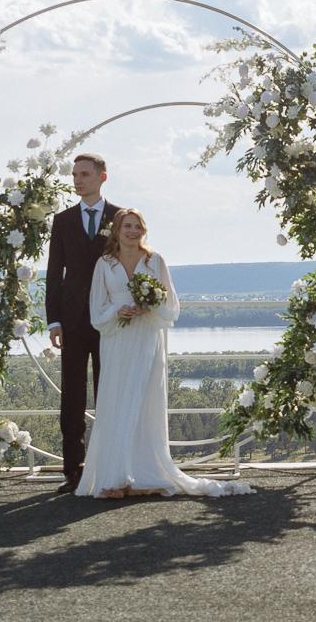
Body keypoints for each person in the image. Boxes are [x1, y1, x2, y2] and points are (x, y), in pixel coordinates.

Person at [77, 211, 249, 500]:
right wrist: (116, 311)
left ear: (144, 230)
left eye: (137, 226)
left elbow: (170, 303)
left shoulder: (154, 261)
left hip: (146, 335)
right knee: (116, 399)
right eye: (126, 226)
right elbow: (96, 308)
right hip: (117, 338)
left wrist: (148, 308)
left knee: (145, 400)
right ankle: (114, 476)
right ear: (116, 231)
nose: (132, 231)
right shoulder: (104, 264)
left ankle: (145, 473)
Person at [44, 152, 116, 493]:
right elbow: (53, 274)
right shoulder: (62, 220)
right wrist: (53, 320)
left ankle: (108, 466)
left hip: (110, 319)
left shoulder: (120, 217)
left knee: (109, 392)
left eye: (84, 174)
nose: (77, 180)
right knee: (72, 395)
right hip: (71, 320)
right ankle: (72, 471)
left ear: (102, 177)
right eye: (74, 174)